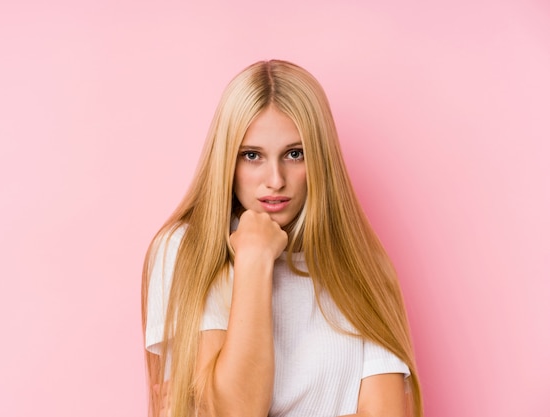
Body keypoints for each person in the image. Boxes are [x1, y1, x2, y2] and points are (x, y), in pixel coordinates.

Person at [141, 60, 422, 417]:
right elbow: (235, 411)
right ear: (226, 158)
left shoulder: (365, 272)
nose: (275, 180)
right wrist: (253, 260)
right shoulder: (186, 250)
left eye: (294, 154)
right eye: (252, 155)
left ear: (320, 159)